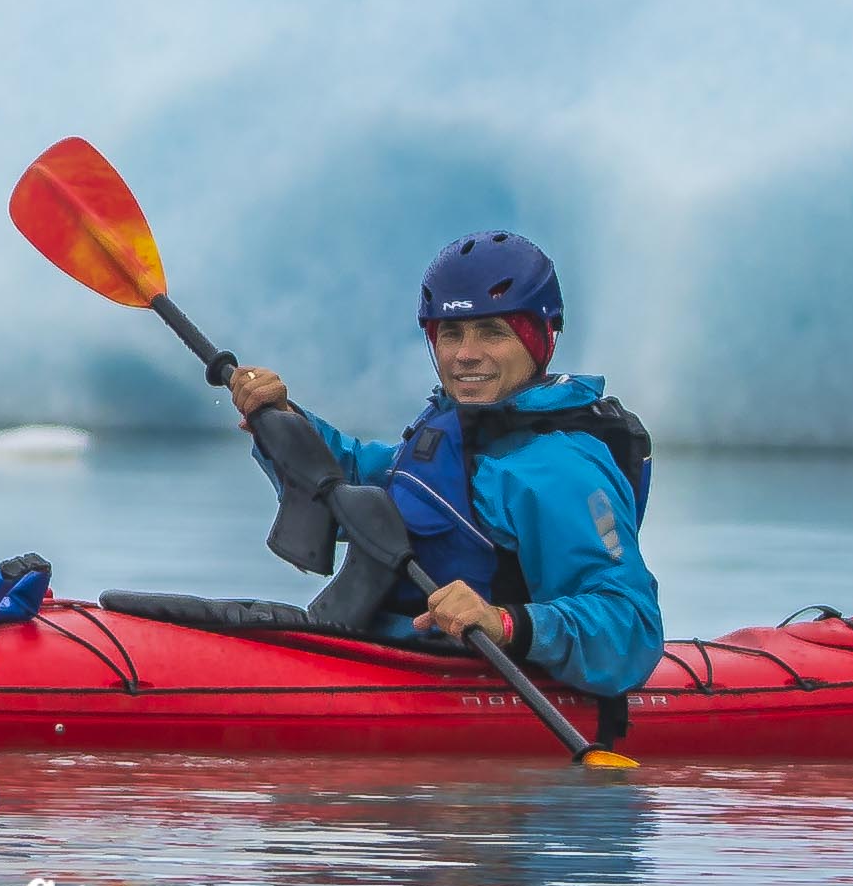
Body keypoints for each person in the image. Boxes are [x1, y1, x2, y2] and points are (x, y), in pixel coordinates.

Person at [224, 231, 663, 704]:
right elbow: (356, 483)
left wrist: (505, 622)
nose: (464, 354)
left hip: (468, 681)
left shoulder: (563, 471)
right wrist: (284, 420)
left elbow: (630, 626)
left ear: (540, 338)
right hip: (385, 654)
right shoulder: (453, 428)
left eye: (492, 332)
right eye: (450, 333)